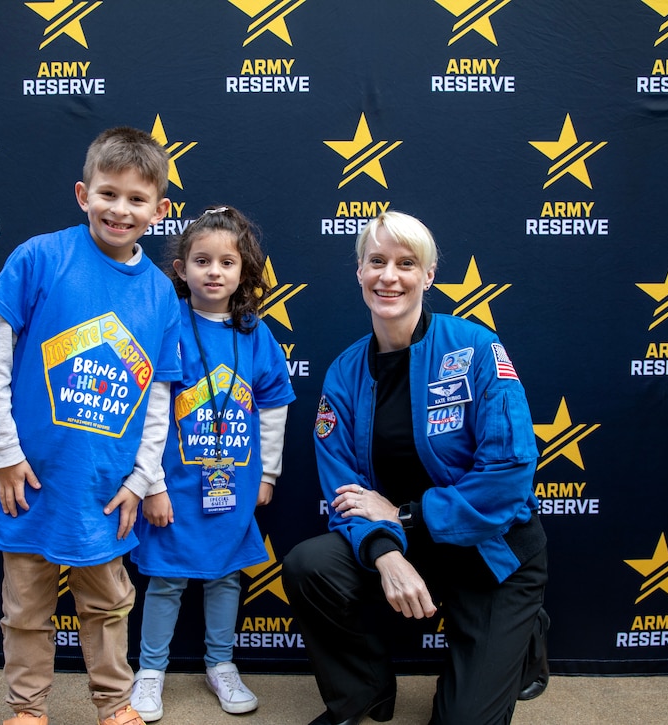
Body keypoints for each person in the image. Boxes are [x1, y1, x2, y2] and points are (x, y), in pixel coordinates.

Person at [282, 211, 548, 725]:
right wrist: (384, 551)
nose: (389, 276)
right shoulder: (344, 370)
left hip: (490, 550)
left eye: (407, 264)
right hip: (405, 546)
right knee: (309, 565)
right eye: (376, 261)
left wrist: (402, 515)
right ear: (359, 271)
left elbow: (510, 477)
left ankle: (522, 637)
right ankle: (363, 694)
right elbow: (345, 488)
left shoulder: (475, 349)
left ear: (427, 276)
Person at [0, 126, 182, 725]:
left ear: (159, 210)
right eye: (108, 194)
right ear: (83, 194)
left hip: (106, 486)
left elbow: (160, 395)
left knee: (109, 604)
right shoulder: (41, 257)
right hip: (29, 478)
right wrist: (4, 452)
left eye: (137, 199)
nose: (121, 209)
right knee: (26, 606)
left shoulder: (163, 294)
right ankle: (27, 709)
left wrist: (143, 478)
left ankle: (114, 703)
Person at [128, 206, 296, 721]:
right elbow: (148, 410)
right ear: (181, 269)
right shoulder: (167, 324)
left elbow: (273, 405)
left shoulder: (255, 333)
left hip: (234, 485)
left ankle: (221, 664)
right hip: (175, 485)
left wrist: (267, 473)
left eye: (227, 262)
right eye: (202, 260)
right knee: (167, 579)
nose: (215, 271)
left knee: (226, 578)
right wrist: (150, 482)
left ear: (244, 270)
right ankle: (150, 670)